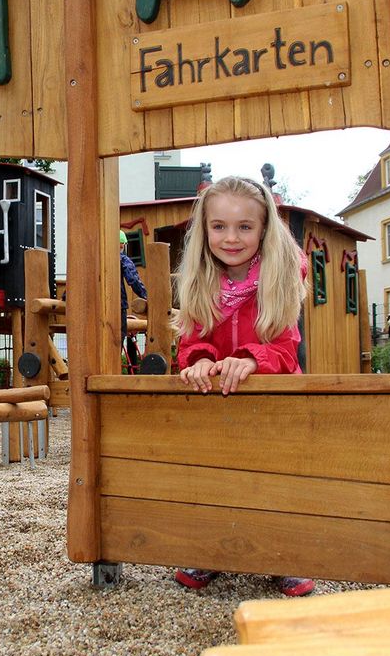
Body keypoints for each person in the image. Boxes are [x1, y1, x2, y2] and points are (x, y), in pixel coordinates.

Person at [170, 176, 314, 597]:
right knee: (215, 470)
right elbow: (192, 342)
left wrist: (251, 359)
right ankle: (215, 548)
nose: (231, 238)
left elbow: (287, 348)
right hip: (220, 398)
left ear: (264, 228)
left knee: (277, 475)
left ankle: (286, 554)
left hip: (275, 399)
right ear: (205, 230)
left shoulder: (281, 275)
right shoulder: (200, 278)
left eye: (244, 227)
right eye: (219, 226)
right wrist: (199, 363)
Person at [119, 229, 147, 372]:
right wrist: (147, 296)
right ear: (121, 245)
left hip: (95, 307)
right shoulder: (122, 259)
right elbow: (133, 280)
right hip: (118, 306)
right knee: (117, 340)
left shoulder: (96, 259)